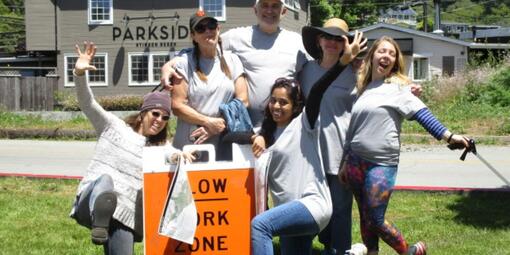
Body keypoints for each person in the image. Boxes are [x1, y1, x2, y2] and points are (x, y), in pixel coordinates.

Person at [341, 36, 471, 255]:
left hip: (381, 164)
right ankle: (372, 252)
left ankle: (410, 252)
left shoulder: (399, 88)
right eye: (382, 51)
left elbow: (422, 115)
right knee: (364, 215)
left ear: (395, 62)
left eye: (392, 54)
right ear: (372, 56)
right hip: (354, 161)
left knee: (375, 216)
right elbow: (352, 129)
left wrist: (450, 137)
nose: (387, 56)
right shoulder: (363, 89)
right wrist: (344, 161)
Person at [69, 41, 194, 255]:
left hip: (125, 216)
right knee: (105, 183)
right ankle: (100, 216)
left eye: (165, 117)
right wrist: (79, 74)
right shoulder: (113, 126)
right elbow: (88, 103)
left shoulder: (160, 147)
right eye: (155, 114)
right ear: (143, 113)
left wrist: (182, 154)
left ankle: (103, 224)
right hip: (90, 202)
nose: (160, 120)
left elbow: (173, 155)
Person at [250, 31, 366, 255]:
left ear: (295, 107)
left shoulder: (304, 124)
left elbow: (317, 91)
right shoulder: (264, 133)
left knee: (260, 225)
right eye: (273, 100)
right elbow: (234, 133)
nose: (276, 106)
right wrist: (255, 136)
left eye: (284, 102)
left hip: (312, 205)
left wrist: (344, 61)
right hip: (290, 214)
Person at [162, 0, 310, 128]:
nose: (269, 10)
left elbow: (315, 68)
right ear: (255, 10)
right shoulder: (237, 37)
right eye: (264, 5)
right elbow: (205, 45)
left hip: (286, 125)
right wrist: (169, 65)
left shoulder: (297, 41)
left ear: (283, 10)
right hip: (249, 126)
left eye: (275, 6)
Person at [170, 9, 249, 160]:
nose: (207, 31)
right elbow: (177, 106)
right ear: (193, 36)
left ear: (218, 29)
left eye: (211, 26)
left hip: (223, 142)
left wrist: (219, 125)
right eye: (200, 28)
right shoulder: (184, 62)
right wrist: (208, 122)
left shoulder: (233, 60)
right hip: (190, 145)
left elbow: (243, 99)